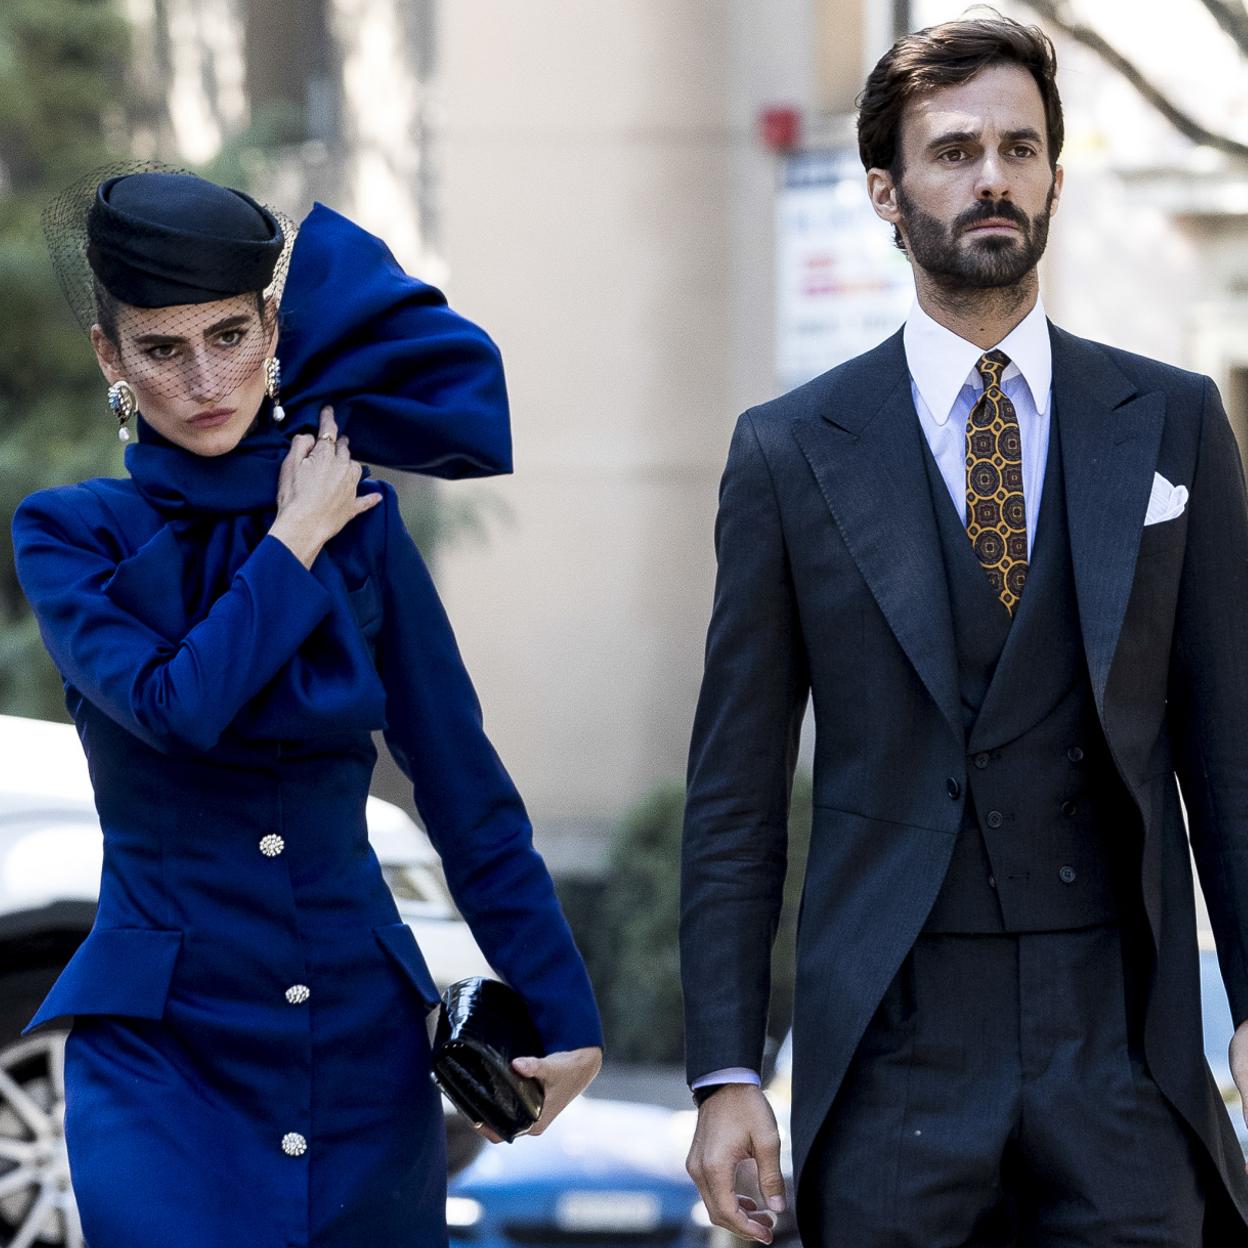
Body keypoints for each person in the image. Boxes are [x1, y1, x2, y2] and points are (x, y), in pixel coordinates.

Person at [680, 16, 1248, 1246]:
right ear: (887, 193)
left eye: (1018, 148)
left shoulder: (1175, 420)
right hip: (896, 1047)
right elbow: (734, 788)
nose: (991, 176)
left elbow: (1231, 746)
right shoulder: (789, 453)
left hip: (1122, 1045)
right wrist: (725, 1072)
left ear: (1053, 176)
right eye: (952, 152)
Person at [13, 169, 603, 1248]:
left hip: (360, 1051)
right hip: (161, 1056)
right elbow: (175, 705)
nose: (205, 379)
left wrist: (565, 1013)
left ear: (272, 326)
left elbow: (461, 781)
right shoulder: (68, 532)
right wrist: (293, 543)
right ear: (111, 357)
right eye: (162, 348)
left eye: (231, 335)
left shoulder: (365, 527)